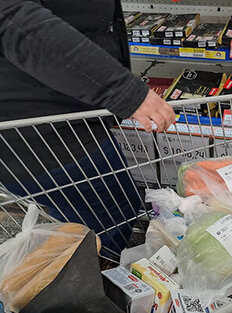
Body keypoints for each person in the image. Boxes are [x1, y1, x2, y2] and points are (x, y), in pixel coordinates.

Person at [0, 0, 175, 257]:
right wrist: (124, 91)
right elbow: (17, 24)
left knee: (108, 211)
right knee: (109, 216)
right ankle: (84, 287)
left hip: (68, 111)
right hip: (39, 130)